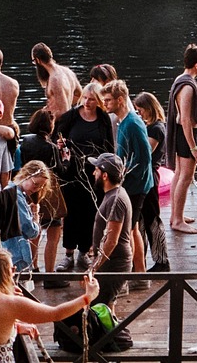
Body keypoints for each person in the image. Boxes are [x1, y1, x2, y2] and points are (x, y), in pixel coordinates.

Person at [0, 246, 101, 363]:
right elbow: (56, 313)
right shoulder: (9, 303)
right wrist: (87, 297)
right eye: (12, 268)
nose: (14, 271)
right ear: (4, 272)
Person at [55, 82, 114, 271]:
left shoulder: (103, 119)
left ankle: (83, 252)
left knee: (91, 213)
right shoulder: (71, 117)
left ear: (98, 101)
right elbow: (57, 136)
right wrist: (62, 149)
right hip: (72, 172)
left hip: (94, 173)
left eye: (91, 99)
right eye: (85, 98)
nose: (87, 102)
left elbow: (109, 147)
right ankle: (68, 254)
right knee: (71, 213)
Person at [102, 80, 154, 280]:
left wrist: (125, 180)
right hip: (129, 184)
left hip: (135, 187)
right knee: (131, 229)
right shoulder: (122, 121)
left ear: (120, 100)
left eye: (108, 100)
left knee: (131, 230)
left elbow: (144, 157)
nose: (105, 104)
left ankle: (139, 275)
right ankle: (138, 273)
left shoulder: (132, 123)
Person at [18, 107, 65, 278]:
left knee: (34, 232)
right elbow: (60, 171)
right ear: (49, 125)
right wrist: (66, 158)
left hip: (30, 193)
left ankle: (34, 268)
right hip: (48, 194)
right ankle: (50, 275)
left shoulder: (25, 142)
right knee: (54, 233)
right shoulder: (50, 147)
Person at [166, 45, 197, 234]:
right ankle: (177, 220)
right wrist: (193, 148)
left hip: (182, 133)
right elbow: (184, 118)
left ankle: (176, 215)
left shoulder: (180, 79)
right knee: (186, 176)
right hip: (186, 134)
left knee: (179, 175)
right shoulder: (188, 86)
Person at [88, 152, 134, 307]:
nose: (94, 173)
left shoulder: (116, 199)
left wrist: (94, 267)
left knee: (100, 307)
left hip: (114, 263)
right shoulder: (114, 194)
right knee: (107, 308)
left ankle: (114, 332)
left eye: (96, 170)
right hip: (110, 260)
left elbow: (112, 240)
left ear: (105, 175)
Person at [132, 91, 171, 272]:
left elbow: (145, 151)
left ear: (149, 109)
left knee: (152, 219)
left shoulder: (156, 128)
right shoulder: (150, 126)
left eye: (140, 110)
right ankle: (141, 259)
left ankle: (162, 260)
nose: (138, 113)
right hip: (144, 177)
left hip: (150, 177)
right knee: (140, 221)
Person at [33, 43, 81, 119]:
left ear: (38, 60)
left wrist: (47, 113)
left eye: (34, 62)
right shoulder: (68, 72)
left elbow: (64, 112)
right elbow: (79, 95)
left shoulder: (54, 80)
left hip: (59, 125)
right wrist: (67, 101)